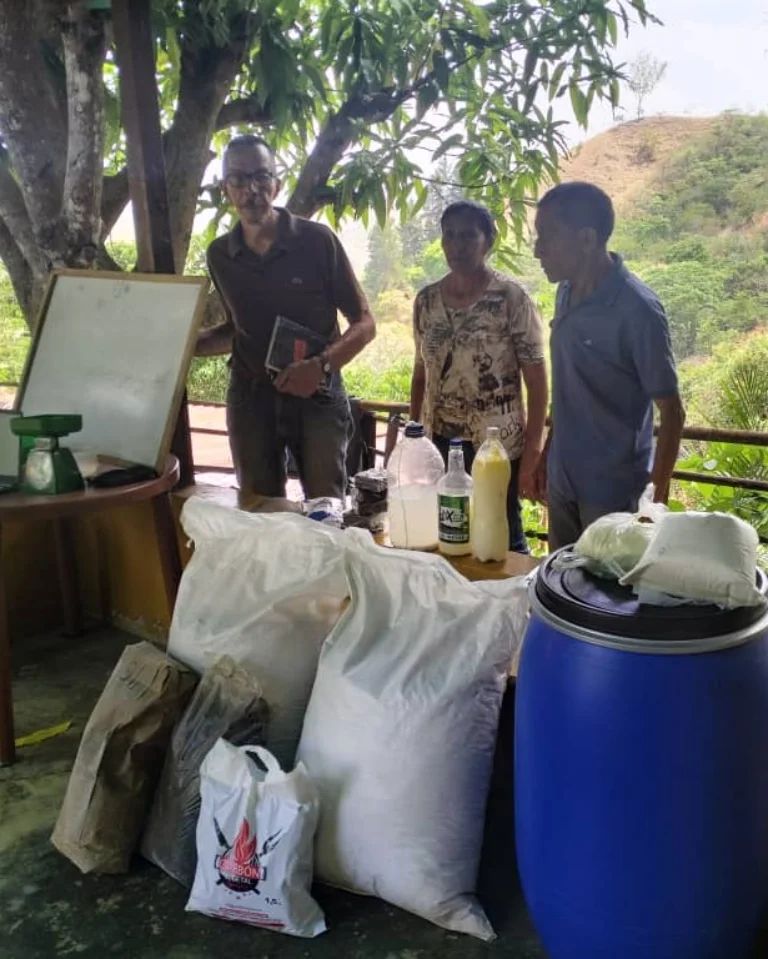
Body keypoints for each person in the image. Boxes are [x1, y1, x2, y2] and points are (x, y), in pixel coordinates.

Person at [198, 134, 375, 501]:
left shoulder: (317, 242)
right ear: (225, 189)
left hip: (317, 395)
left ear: (277, 184)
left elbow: (365, 322)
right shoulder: (220, 255)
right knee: (259, 510)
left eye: (262, 177)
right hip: (252, 398)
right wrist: (182, 346)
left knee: (325, 509)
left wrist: (321, 366)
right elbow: (236, 329)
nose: (252, 189)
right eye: (239, 179)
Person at [532, 181, 686, 551]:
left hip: (612, 490)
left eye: (547, 237)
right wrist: (547, 452)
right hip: (563, 477)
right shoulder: (565, 292)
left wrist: (655, 499)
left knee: (607, 595)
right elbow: (570, 384)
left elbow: (673, 411)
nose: (538, 250)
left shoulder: (637, 310)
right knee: (561, 582)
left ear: (586, 239)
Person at [410, 200, 548, 552]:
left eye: (468, 236)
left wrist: (533, 452)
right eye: (450, 236)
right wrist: (413, 438)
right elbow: (420, 373)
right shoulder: (426, 302)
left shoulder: (510, 298)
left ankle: (511, 600)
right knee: (446, 530)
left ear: (488, 241)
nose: (457, 246)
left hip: (496, 445)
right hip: (439, 440)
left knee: (499, 530)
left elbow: (536, 380)